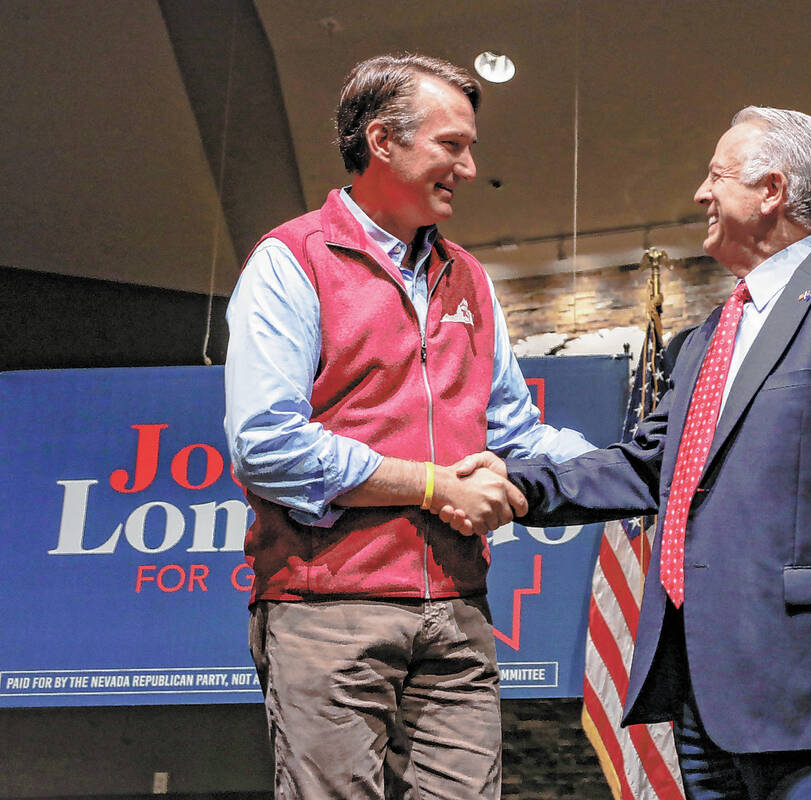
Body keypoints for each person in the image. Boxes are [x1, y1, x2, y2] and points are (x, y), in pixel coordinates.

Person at [489, 107, 811, 799]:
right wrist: (519, 487)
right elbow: (645, 466)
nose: (699, 194)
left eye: (716, 175)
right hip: (704, 703)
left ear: (771, 191)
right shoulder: (703, 339)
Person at [223, 53, 590, 800]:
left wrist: (650, 469)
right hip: (328, 613)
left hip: (457, 612)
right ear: (383, 142)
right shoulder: (290, 261)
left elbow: (517, 433)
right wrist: (428, 484)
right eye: (451, 144)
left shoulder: (472, 280)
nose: (469, 164)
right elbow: (267, 447)